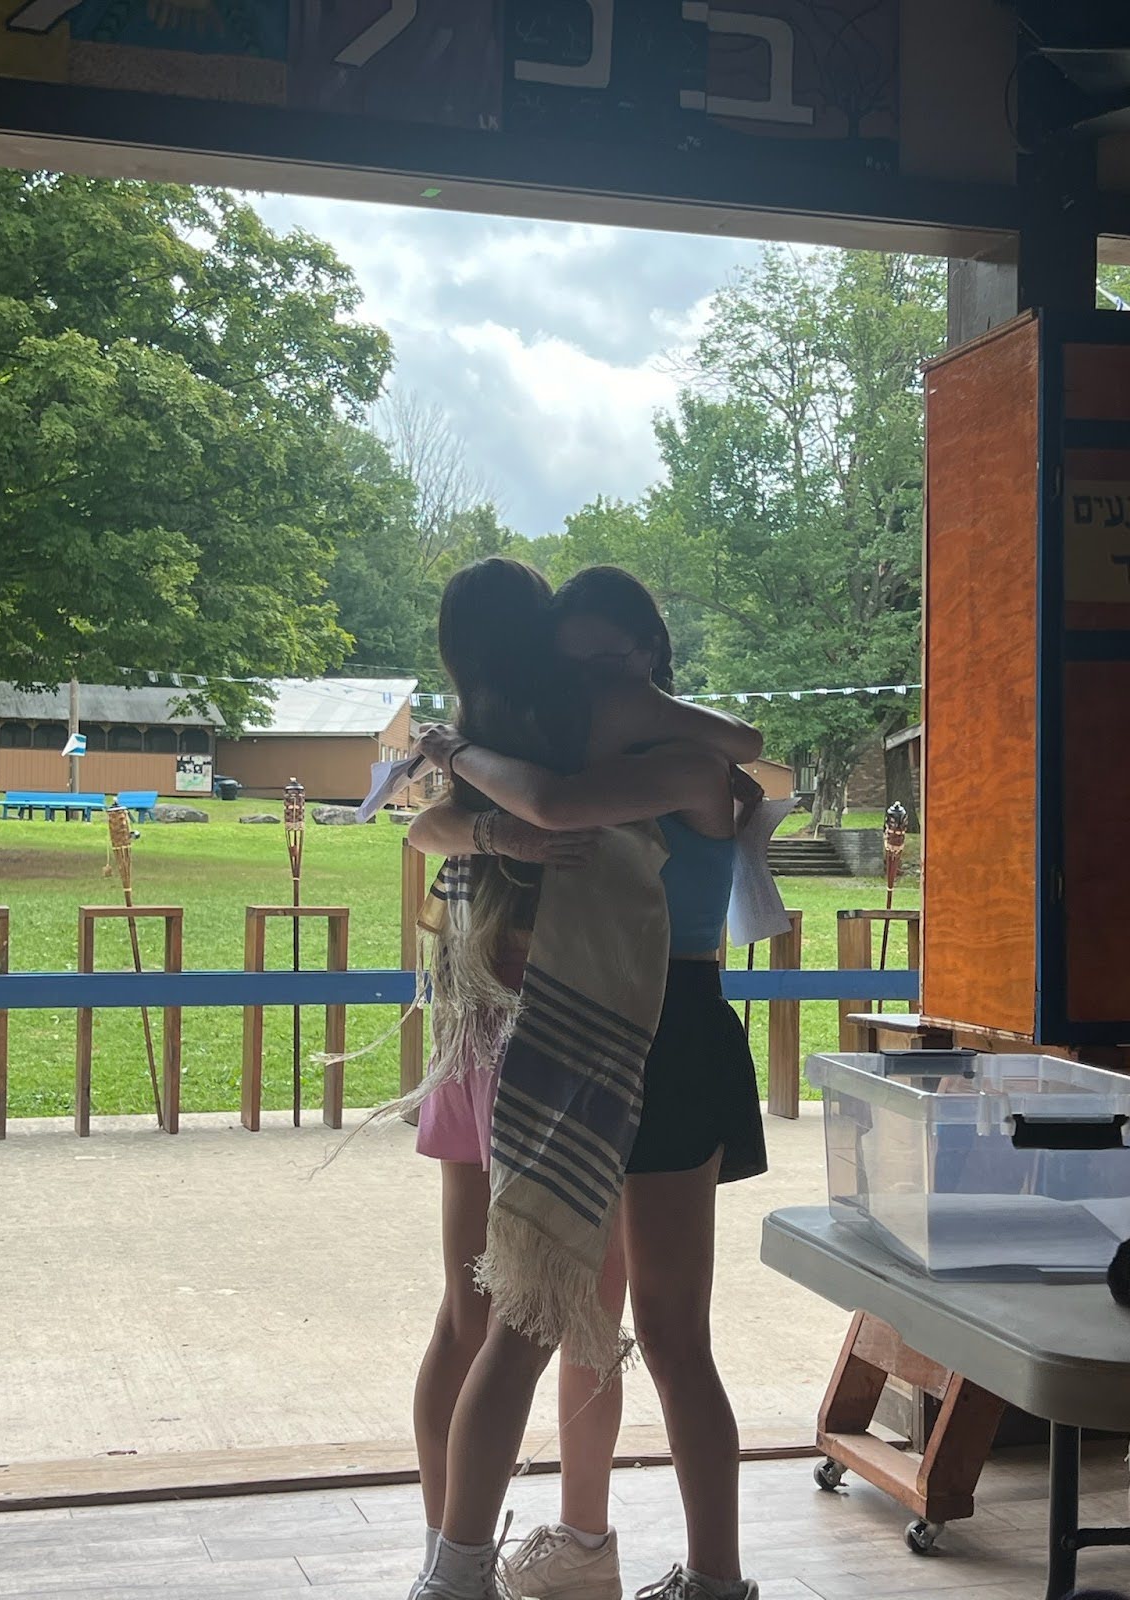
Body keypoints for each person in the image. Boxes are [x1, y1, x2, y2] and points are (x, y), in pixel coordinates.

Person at [409, 564, 766, 1600]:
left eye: (621, 660)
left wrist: (463, 753)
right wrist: (477, 800)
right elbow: (437, 828)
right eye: (584, 668)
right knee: (525, 1311)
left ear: (653, 656)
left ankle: (712, 1578)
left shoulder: (696, 768)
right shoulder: (565, 744)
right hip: (573, 1029)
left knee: (669, 1331)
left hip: (670, 1031)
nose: (605, 683)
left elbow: (561, 807)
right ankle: (463, 1573)